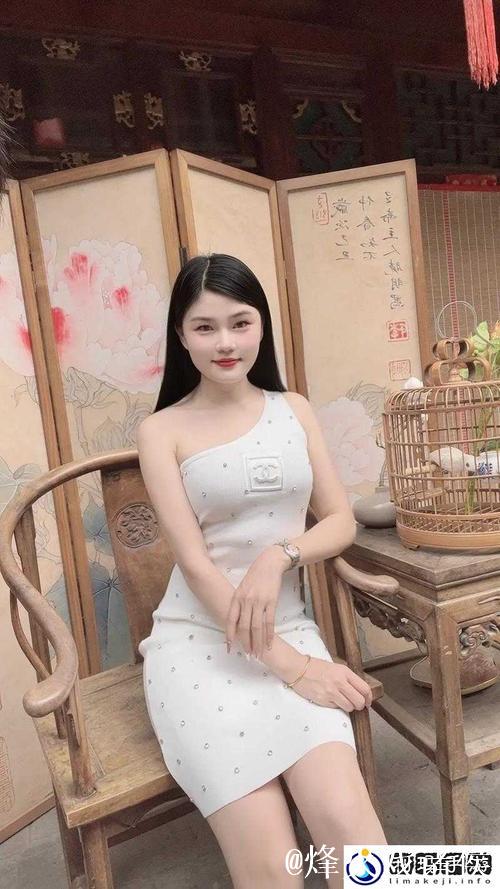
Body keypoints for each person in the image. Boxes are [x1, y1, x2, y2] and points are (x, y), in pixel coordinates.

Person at [137, 253, 386, 889]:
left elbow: (339, 520)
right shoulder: (161, 431)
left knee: (357, 843)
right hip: (199, 645)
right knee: (275, 870)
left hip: (290, 626)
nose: (225, 342)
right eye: (205, 327)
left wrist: (279, 557)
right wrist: (295, 669)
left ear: (261, 327)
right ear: (181, 335)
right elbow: (196, 566)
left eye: (240, 323)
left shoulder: (293, 409)